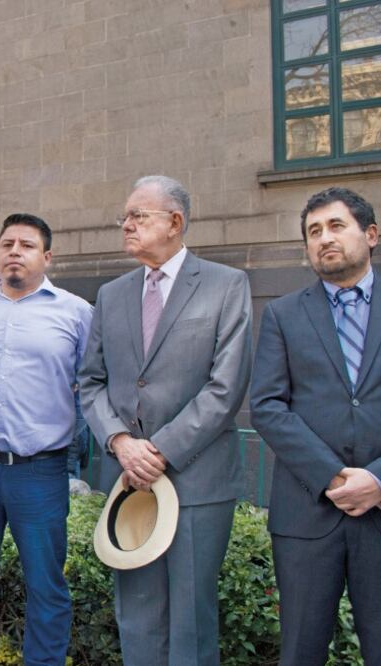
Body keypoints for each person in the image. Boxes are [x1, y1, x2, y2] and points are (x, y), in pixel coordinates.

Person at [78, 175, 252, 666]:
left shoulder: (226, 284)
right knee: (137, 617)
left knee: (191, 622)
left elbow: (227, 386)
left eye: (138, 216)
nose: (126, 226)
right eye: (125, 217)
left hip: (196, 480)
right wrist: (119, 441)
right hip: (127, 482)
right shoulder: (111, 294)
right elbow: (90, 382)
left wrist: (158, 450)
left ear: (175, 222)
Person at [0, 214, 92, 665]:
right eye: (7, 243)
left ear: (47, 257)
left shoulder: (77, 313)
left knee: (46, 586)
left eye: (27, 245)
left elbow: (92, 385)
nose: (14, 251)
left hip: (40, 472)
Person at [250, 187, 381, 666]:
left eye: (336, 226)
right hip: (307, 515)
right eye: (313, 231)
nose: (324, 238)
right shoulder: (284, 314)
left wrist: (377, 479)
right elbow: (266, 406)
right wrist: (334, 476)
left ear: (371, 234)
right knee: (301, 651)